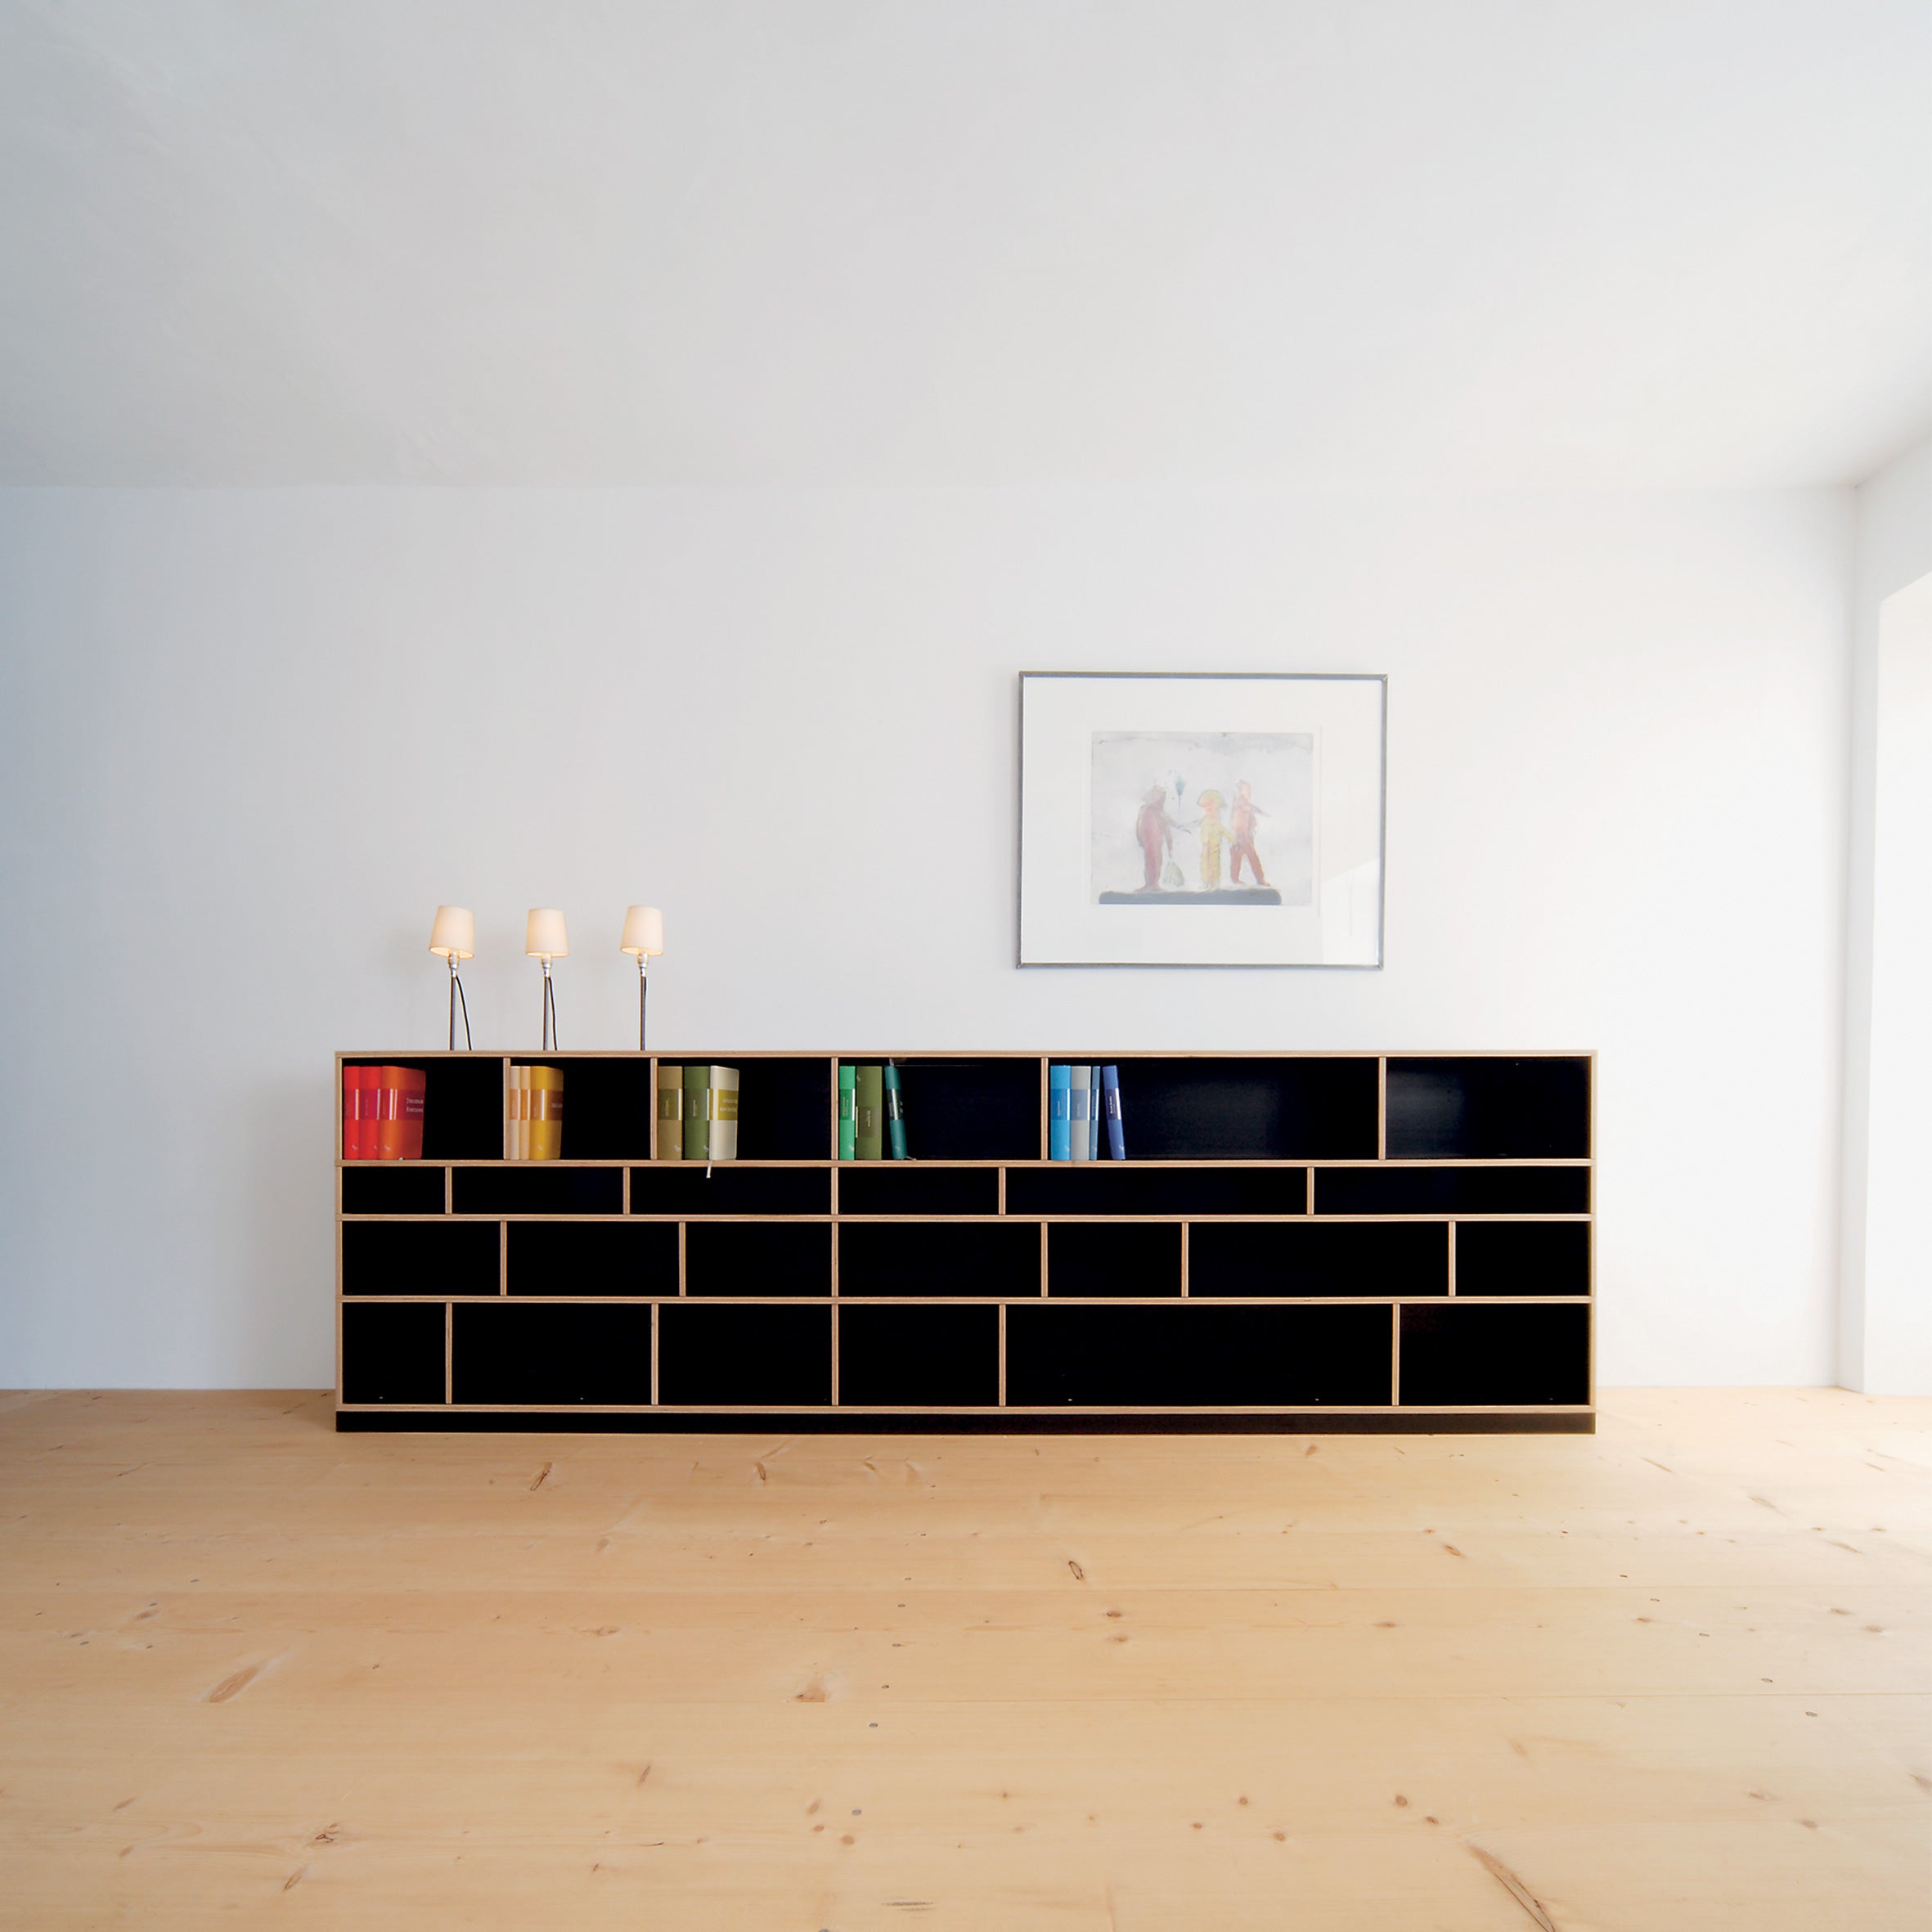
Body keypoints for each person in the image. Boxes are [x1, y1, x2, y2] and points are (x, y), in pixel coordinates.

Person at [1134, 785, 1180, 891]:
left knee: (1156, 861)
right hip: (1147, 841)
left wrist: (1170, 846)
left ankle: (1154, 884)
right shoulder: (1144, 809)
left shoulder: (1160, 812)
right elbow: (1138, 824)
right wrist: (1139, 838)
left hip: (1156, 842)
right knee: (1149, 862)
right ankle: (1149, 884)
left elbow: (1168, 828)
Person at [1229, 779, 1268, 887]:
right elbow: (1249, 807)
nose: (1248, 792)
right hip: (1241, 835)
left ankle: (1236, 879)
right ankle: (1260, 879)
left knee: (1238, 856)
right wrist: (1262, 812)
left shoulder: (1242, 802)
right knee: (1251, 856)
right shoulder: (1241, 801)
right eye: (1246, 789)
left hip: (1242, 835)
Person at [1195, 789, 1228, 889]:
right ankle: (1205, 881)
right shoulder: (1205, 819)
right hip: (1206, 844)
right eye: (1205, 808)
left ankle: (1214, 882)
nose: (1208, 809)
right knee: (1204, 863)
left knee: (1214, 863)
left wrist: (1233, 841)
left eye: (1210, 807)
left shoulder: (1217, 822)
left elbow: (1223, 831)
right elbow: (1198, 823)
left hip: (1214, 845)